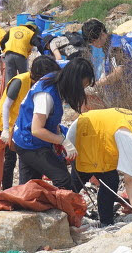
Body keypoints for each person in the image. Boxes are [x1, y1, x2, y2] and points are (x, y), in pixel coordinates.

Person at [11, 58, 96, 189]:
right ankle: (65, 208)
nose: (81, 91)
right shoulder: (46, 95)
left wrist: (57, 136)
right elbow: (37, 130)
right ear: (74, 81)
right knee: (63, 179)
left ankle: (30, 206)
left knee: (30, 187)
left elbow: (51, 118)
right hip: (29, 142)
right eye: (81, 87)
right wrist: (63, 141)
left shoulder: (56, 78)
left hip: (30, 138)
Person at [0, 56, 60, 190]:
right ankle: (7, 190)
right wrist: (5, 130)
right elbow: (6, 106)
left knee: (26, 155)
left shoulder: (42, 85)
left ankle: (25, 189)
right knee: (10, 159)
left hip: (22, 123)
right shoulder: (20, 81)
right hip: (6, 122)